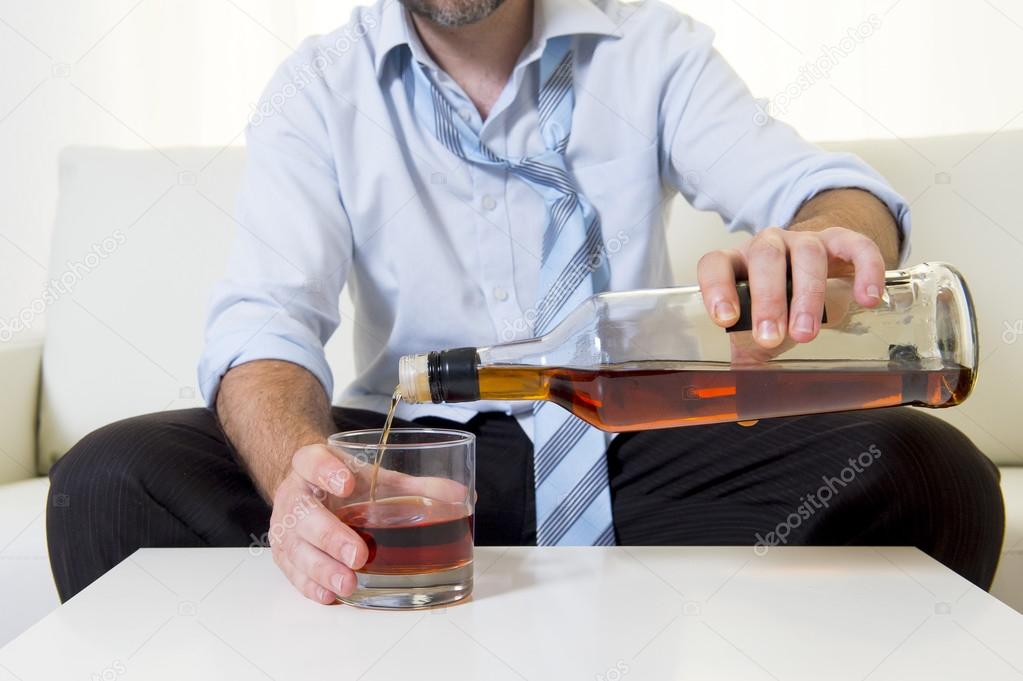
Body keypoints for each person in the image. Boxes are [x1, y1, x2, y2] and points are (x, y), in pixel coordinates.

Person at [47, 0, 1004, 603]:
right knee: (109, 480)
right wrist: (310, 477)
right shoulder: (319, 89)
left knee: (927, 472)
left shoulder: (649, 48)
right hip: (416, 478)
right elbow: (264, 323)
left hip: (632, 449)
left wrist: (827, 238)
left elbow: (830, 190)